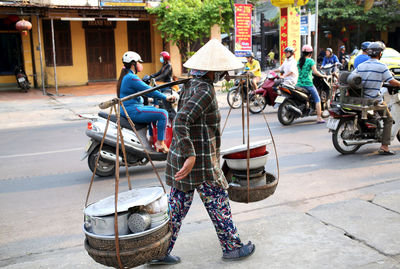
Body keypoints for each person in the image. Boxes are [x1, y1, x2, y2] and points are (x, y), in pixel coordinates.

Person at [149, 39, 255, 265]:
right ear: (212, 72)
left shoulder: (192, 85)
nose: (225, 75)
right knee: (218, 203)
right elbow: (181, 121)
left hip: (184, 162)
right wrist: (191, 154)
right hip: (200, 163)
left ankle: (158, 252)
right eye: (222, 72)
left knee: (175, 210)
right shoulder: (204, 90)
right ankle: (232, 247)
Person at [117, 51, 175, 153]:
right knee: (163, 114)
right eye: (139, 62)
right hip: (132, 110)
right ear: (133, 63)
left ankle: (151, 138)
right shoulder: (131, 77)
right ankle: (160, 143)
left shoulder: (127, 76)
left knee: (154, 109)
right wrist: (165, 98)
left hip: (129, 109)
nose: (140, 64)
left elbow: (145, 92)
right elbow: (149, 90)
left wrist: (153, 99)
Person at [353, 42, 400, 155]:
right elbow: (392, 81)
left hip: (361, 99)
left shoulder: (362, 65)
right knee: (388, 119)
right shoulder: (381, 66)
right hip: (374, 99)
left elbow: (353, 77)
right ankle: (385, 146)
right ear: (380, 53)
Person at [296, 45, 327, 124]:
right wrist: (323, 75)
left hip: (299, 83)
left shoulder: (299, 61)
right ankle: (319, 118)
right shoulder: (310, 61)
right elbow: (315, 72)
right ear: (310, 53)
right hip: (308, 84)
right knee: (317, 99)